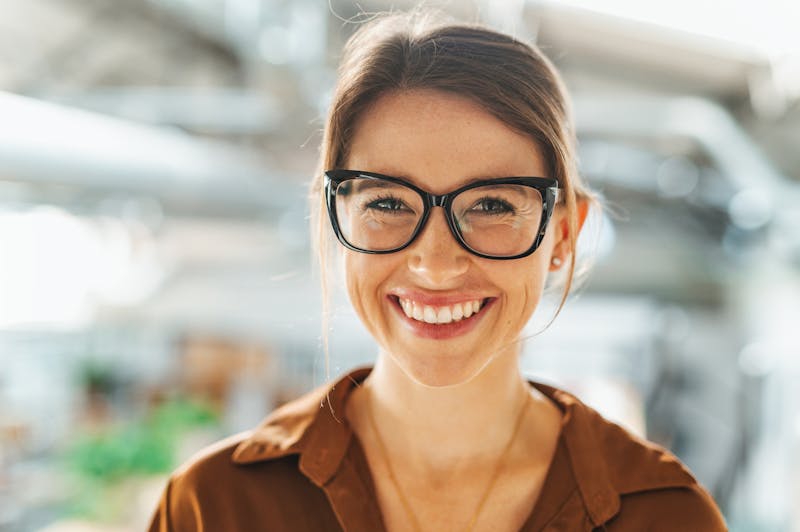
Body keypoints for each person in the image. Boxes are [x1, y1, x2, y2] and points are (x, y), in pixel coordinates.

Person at [148, 11, 727, 532]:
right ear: (333, 221)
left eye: (493, 205)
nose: (435, 263)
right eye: (388, 204)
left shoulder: (664, 517)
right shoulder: (216, 508)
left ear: (563, 234)